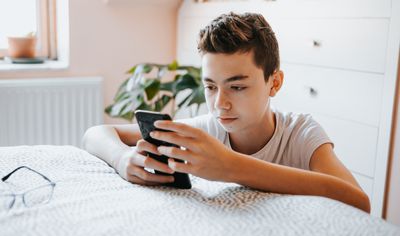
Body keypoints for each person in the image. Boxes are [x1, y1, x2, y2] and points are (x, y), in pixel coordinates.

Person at [83, 12, 370, 213]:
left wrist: (230, 166)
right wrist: (121, 158)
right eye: (210, 87)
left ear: (275, 83)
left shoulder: (302, 133)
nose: (220, 104)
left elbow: (359, 202)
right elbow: (95, 133)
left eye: (237, 87)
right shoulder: (209, 129)